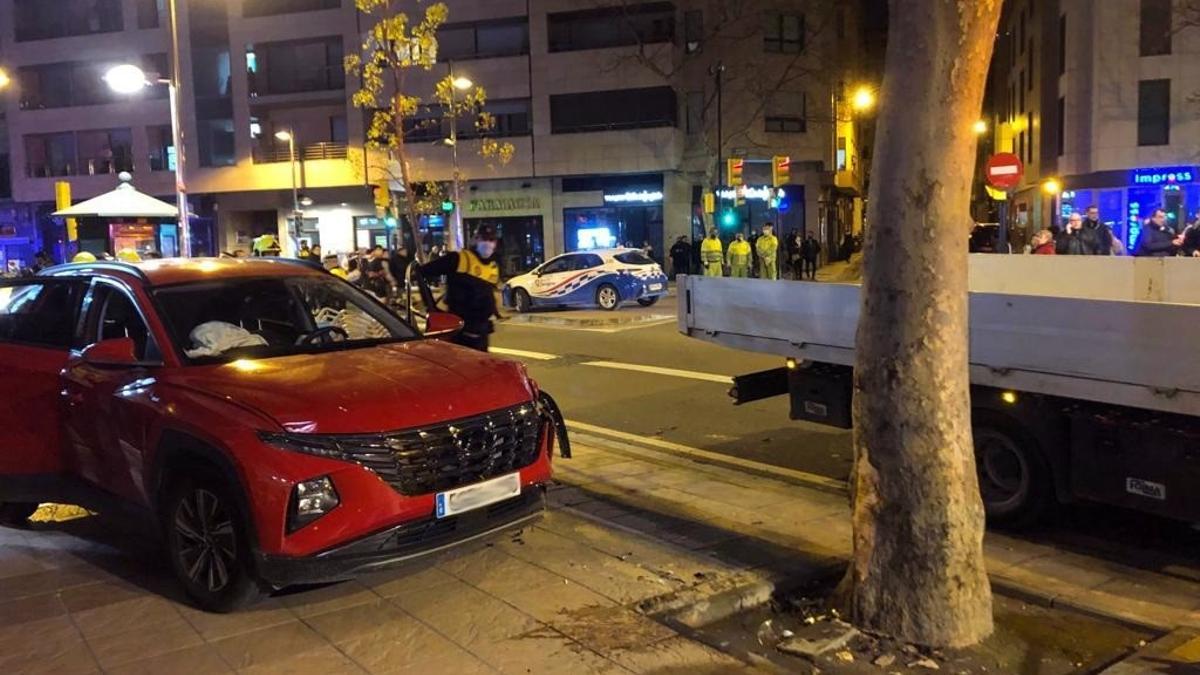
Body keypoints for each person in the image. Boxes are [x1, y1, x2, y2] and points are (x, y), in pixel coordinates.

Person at [418, 225, 502, 352]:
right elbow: (422, 272)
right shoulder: (458, 259)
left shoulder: (493, 266)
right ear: (475, 240)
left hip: (482, 332)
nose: (488, 243)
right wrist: (430, 306)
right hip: (459, 332)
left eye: (491, 240)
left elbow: (490, 294)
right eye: (484, 239)